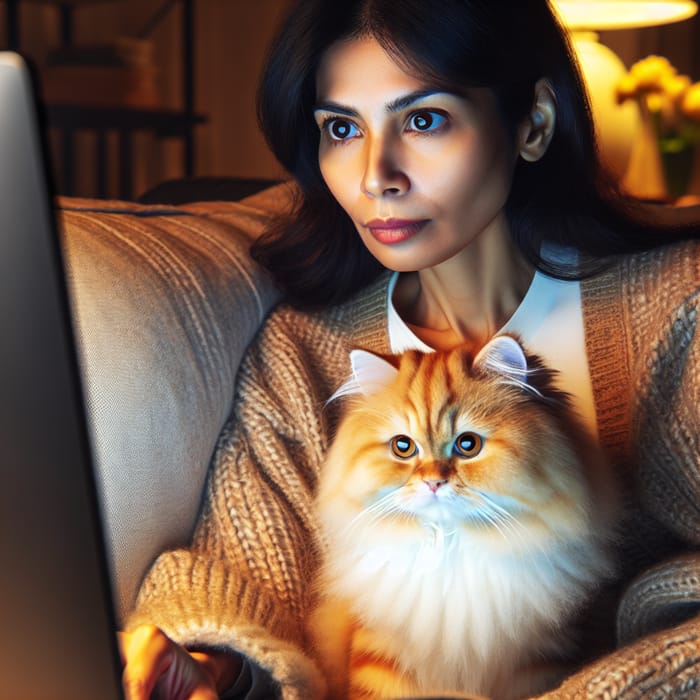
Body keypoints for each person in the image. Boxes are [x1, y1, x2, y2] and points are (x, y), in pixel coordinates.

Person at [119, 0, 700, 698]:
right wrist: (213, 660)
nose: (374, 177)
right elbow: (244, 566)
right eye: (342, 128)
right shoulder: (305, 349)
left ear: (533, 124)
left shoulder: (678, 303)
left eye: (423, 120)